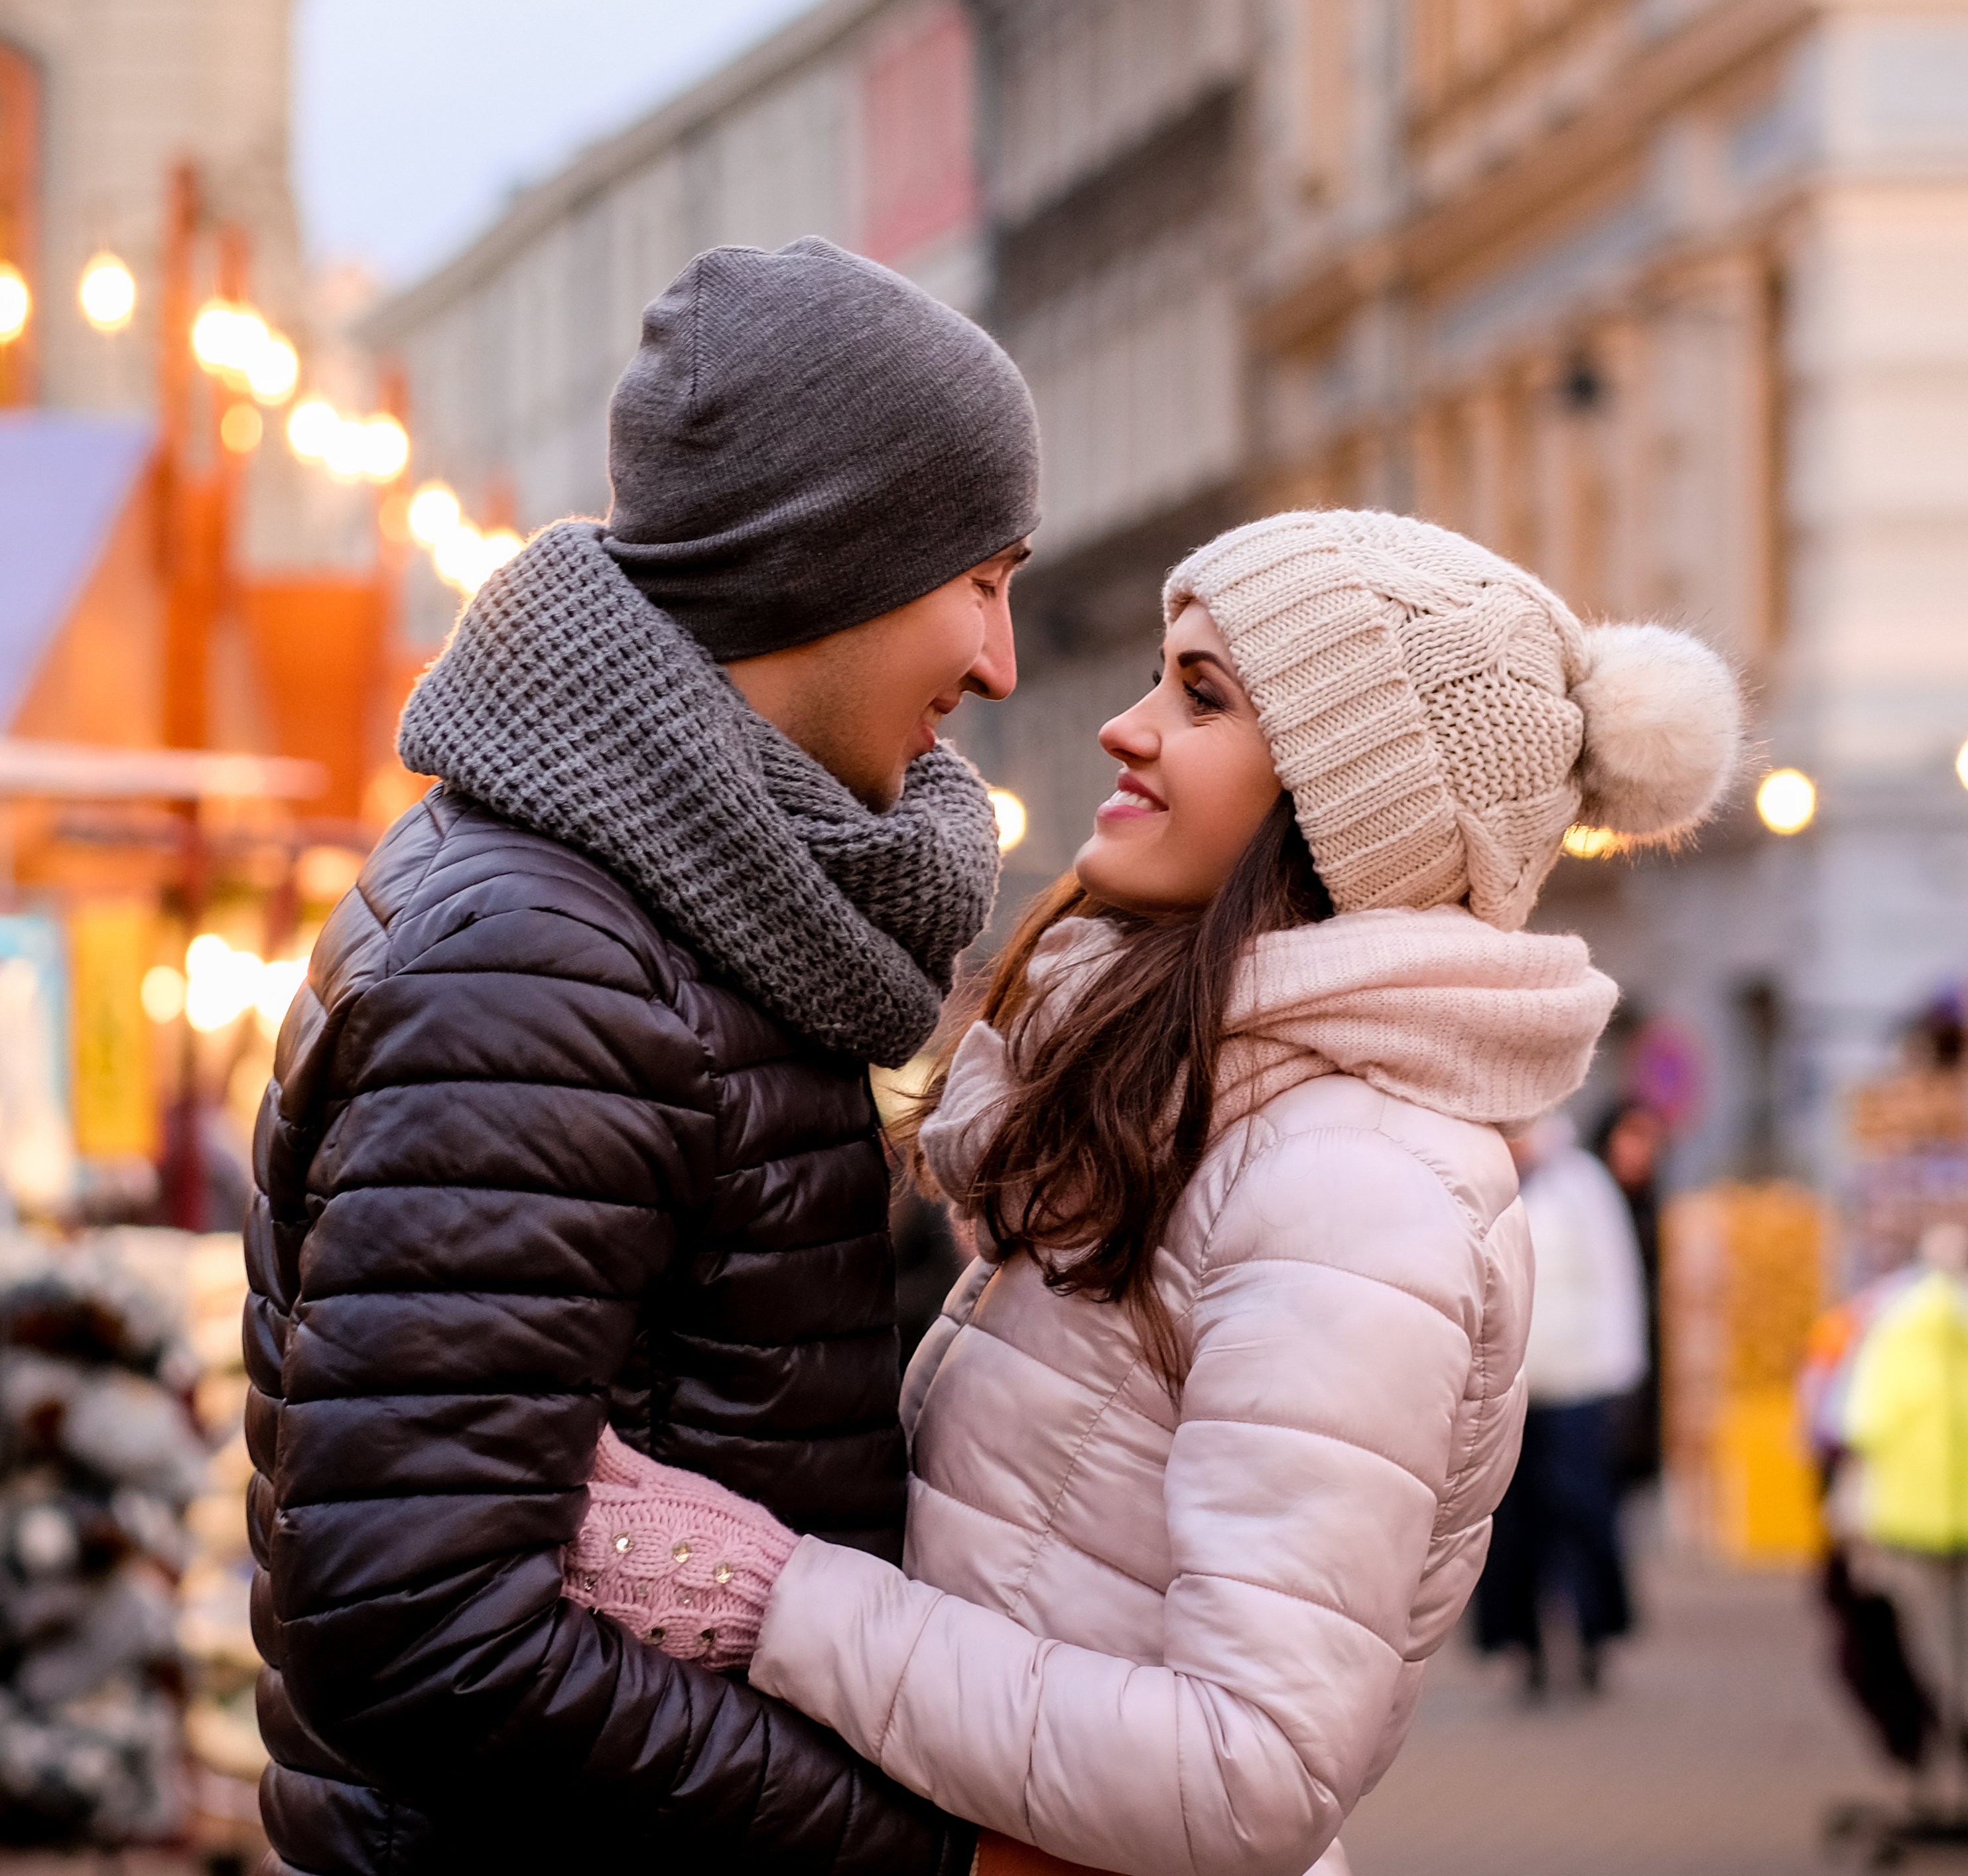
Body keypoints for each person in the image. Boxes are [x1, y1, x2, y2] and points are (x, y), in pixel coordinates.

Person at [557, 509, 1744, 1876]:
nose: (1125, 728)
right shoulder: (1211, 1116)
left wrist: (768, 1600)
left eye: (1200, 695)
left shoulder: (1350, 1186)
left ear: (1342, 796)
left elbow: (1246, 1777)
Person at [243, 238, 1037, 1876]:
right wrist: (905, 1849)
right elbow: (417, 1622)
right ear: (833, 558)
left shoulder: (698, 912)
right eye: (980, 575)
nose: (1000, 659)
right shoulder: (540, 961)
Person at [1469, 1110, 1646, 1695]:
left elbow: (1616, 1278)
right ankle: (1520, 1645)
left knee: (1582, 1511)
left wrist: (1621, 1371)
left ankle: (1598, 1633)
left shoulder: (1583, 1186)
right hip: (1503, 1390)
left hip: (1576, 1383)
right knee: (1509, 1526)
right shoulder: (1477, 1180)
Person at [1596, 1097, 1672, 1495]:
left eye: (1651, 1139)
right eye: (1633, 1135)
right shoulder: (1586, 1199)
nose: (1642, 1150)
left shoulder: (1657, 1214)